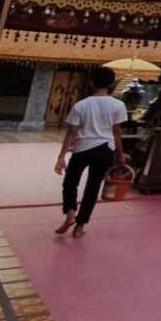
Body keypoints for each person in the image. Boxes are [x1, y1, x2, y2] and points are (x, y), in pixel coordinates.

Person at [54, 65, 127, 237]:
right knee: (93, 187)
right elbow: (116, 131)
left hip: (82, 148)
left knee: (71, 183)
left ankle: (70, 213)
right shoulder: (118, 105)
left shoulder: (81, 105)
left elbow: (71, 132)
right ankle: (80, 227)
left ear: (91, 82)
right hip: (105, 149)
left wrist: (61, 156)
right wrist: (120, 154)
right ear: (112, 84)